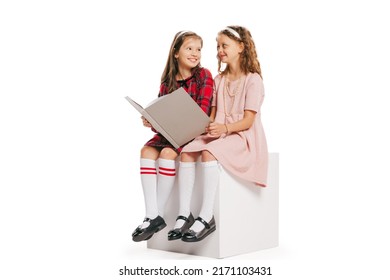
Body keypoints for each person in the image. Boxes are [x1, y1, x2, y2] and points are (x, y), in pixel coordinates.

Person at [167, 26, 268, 242]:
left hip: (242, 136)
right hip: (219, 133)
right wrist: (208, 125)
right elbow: (212, 115)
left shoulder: (253, 80)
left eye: (225, 45)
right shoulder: (219, 79)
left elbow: (249, 120)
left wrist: (224, 129)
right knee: (187, 151)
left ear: (241, 47)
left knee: (209, 153)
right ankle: (185, 213)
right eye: (218, 46)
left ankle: (206, 215)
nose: (220, 50)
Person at [132, 31, 214, 242]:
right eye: (189, 48)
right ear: (176, 52)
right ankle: (152, 214)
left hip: (190, 133)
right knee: (146, 151)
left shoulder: (203, 75)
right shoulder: (167, 81)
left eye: (198, 49)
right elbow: (164, 117)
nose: (195, 53)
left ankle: (155, 215)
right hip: (171, 133)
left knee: (168, 153)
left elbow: (202, 114)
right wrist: (152, 122)